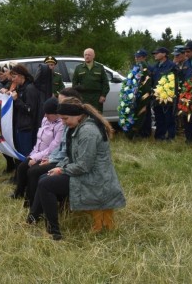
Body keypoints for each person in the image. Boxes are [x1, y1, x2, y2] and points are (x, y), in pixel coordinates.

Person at [27, 97, 126, 240]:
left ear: (78, 115)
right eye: (61, 119)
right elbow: (72, 156)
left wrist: (61, 170)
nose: (63, 122)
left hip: (95, 178)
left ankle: (53, 232)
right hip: (86, 172)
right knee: (44, 178)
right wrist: (59, 165)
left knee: (45, 184)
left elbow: (84, 165)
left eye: (65, 119)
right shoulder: (79, 126)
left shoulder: (88, 131)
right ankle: (35, 220)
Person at [25, 88, 82, 209]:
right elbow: (61, 147)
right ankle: (33, 207)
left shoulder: (72, 124)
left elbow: (70, 154)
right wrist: (49, 158)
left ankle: (37, 209)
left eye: (60, 101)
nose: (58, 104)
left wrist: (59, 166)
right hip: (61, 159)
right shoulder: (67, 121)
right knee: (32, 170)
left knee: (38, 174)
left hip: (68, 164)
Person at [10, 97, 63, 203]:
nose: (45, 116)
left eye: (48, 113)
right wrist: (32, 154)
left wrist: (36, 158)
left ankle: (30, 199)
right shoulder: (46, 120)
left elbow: (53, 148)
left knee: (32, 171)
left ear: (56, 113)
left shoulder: (61, 125)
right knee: (21, 167)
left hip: (48, 156)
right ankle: (19, 192)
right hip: (37, 152)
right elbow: (39, 140)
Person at [8, 64, 42, 157]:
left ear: (21, 76)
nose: (12, 80)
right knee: (19, 151)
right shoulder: (20, 88)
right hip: (19, 125)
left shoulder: (30, 89)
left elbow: (30, 109)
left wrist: (16, 100)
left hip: (27, 127)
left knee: (25, 153)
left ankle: (27, 170)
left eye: (14, 77)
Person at [72, 48, 110, 112]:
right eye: (85, 55)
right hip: (83, 96)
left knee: (97, 116)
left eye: (89, 55)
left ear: (93, 56)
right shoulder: (78, 68)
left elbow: (105, 83)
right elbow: (74, 83)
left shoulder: (100, 67)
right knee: (84, 115)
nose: (87, 56)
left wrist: (103, 95)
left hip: (96, 97)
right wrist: (77, 96)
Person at [151, 47, 177, 140]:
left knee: (169, 118)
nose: (155, 55)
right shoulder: (155, 66)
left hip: (167, 96)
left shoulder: (171, 65)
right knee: (159, 117)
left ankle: (170, 137)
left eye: (157, 53)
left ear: (164, 54)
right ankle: (159, 136)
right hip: (157, 96)